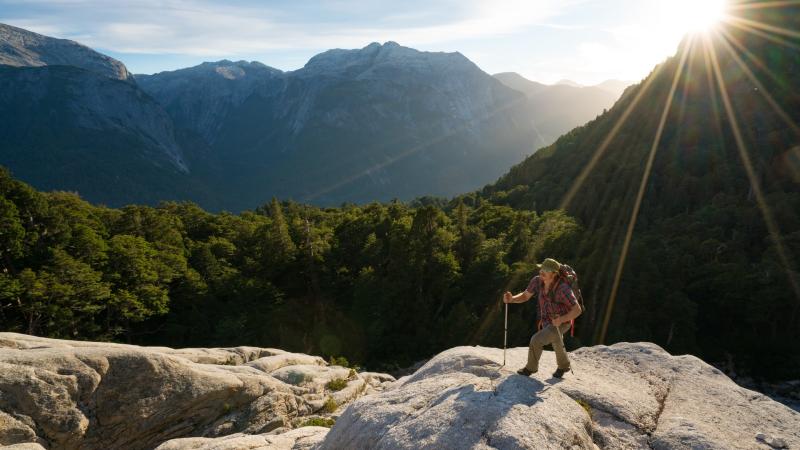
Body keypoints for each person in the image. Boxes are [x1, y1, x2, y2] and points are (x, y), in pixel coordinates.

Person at [503, 258, 582, 378]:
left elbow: (577, 310)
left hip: (563, 322)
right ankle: (563, 366)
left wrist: (561, 319)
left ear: (554, 274)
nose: (541, 272)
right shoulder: (537, 281)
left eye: (546, 270)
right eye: (541, 269)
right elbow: (525, 296)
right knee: (556, 340)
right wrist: (512, 299)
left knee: (536, 340)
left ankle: (530, 368)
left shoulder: (563, 289)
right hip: (547, 320)